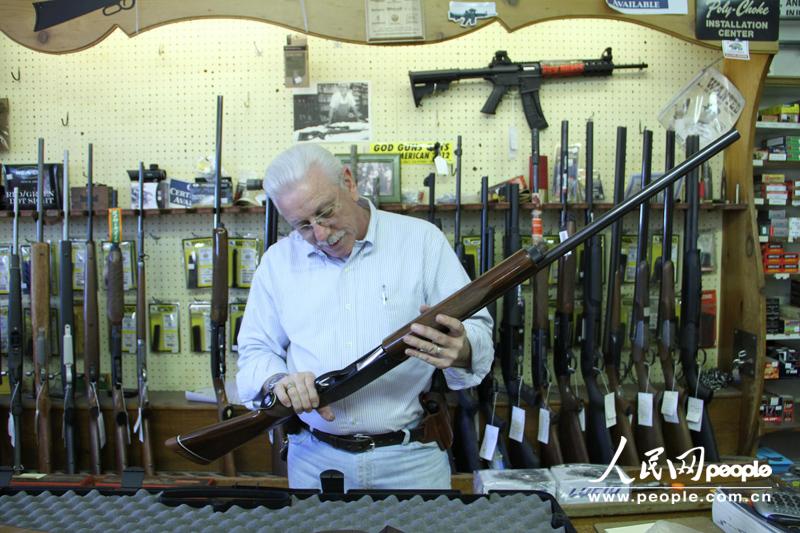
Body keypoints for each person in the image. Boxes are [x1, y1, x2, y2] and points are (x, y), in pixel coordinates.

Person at [236, 144, 493, 491]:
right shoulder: (277, 263)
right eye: (303, 227)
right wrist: (277, 381)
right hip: (314, 461)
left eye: (325, 211)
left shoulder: (422, 242)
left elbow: (478, 331)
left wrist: (460, 349)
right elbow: (254, 352)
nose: (322, 235)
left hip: (411, 460)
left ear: (349, 182)